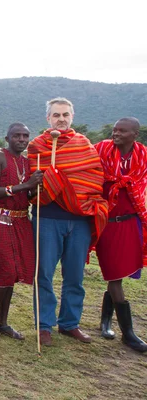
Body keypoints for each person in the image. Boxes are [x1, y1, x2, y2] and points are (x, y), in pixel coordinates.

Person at [28, 97, 108, 346]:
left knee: (75, 276)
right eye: (56, 115)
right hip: (48, 218)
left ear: (72, 117)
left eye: (65, 115)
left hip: (80, 220)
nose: (61, 119)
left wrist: (71, 186)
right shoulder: (37, 146)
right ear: (47, 119)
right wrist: (45, 180)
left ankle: (70, 323)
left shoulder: (84, 145)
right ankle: (44, 325)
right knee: (44, 275)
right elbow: (31, 184)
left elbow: (95, 179)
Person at [0, 123, 42, 341]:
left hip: (21, 221)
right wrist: (25, 186)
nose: (22, 139)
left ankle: (3, 321)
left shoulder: (28, 162)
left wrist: (35, 188)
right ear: (7, 138)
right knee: (5, 270)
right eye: (17, 135)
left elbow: (27, 195)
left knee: (15, 272)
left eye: (26, 135)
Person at [95, 118, 147, 352]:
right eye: (114, 129)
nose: (115, 133)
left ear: (134, 134)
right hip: (107, 222)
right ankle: (128, 333)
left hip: (131, 221)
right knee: (114, 273)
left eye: (121, 131)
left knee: (118, 273)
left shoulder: (143, 157)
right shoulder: (102, 150)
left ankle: (106, 321)